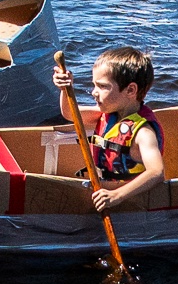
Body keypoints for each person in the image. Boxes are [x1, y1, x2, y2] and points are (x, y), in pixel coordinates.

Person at [52, 47, 165, 212]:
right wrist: (65, 89)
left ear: (130, 90)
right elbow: (70, 113)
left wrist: (117, 196)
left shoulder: (143, 133)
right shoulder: (108, 115)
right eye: (94, 85)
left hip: (132, 203)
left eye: (102, 86)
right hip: (106, 195)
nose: (93, 92)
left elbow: (156, 172)